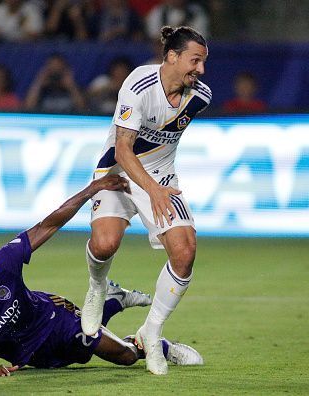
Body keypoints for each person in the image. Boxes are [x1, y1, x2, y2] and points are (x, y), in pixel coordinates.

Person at [0, 174, 203, 376]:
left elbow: (47, 225)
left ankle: (156, 344)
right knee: (77, 355)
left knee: (126, 357)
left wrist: (90, 190)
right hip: (30, 356)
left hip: (54, 320)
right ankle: (112, 298)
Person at [81, 25, 210, 376]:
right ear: (172, 57)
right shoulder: (139, 85)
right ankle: (98, 288)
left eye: (203, 62)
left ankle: (151, 332)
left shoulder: (200, 96)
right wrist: (150, 190)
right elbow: (123, 148)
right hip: (117, 171)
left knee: (184, 253)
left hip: (162, 178)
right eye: (195, 61)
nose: (200, 70)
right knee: (105, 244)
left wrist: (157, 186)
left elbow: (164, 143)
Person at [145, 0, 209, 40]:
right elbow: (154, 37)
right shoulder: (158, 12)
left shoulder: (196, 12)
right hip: (163, 55)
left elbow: (200, 37)